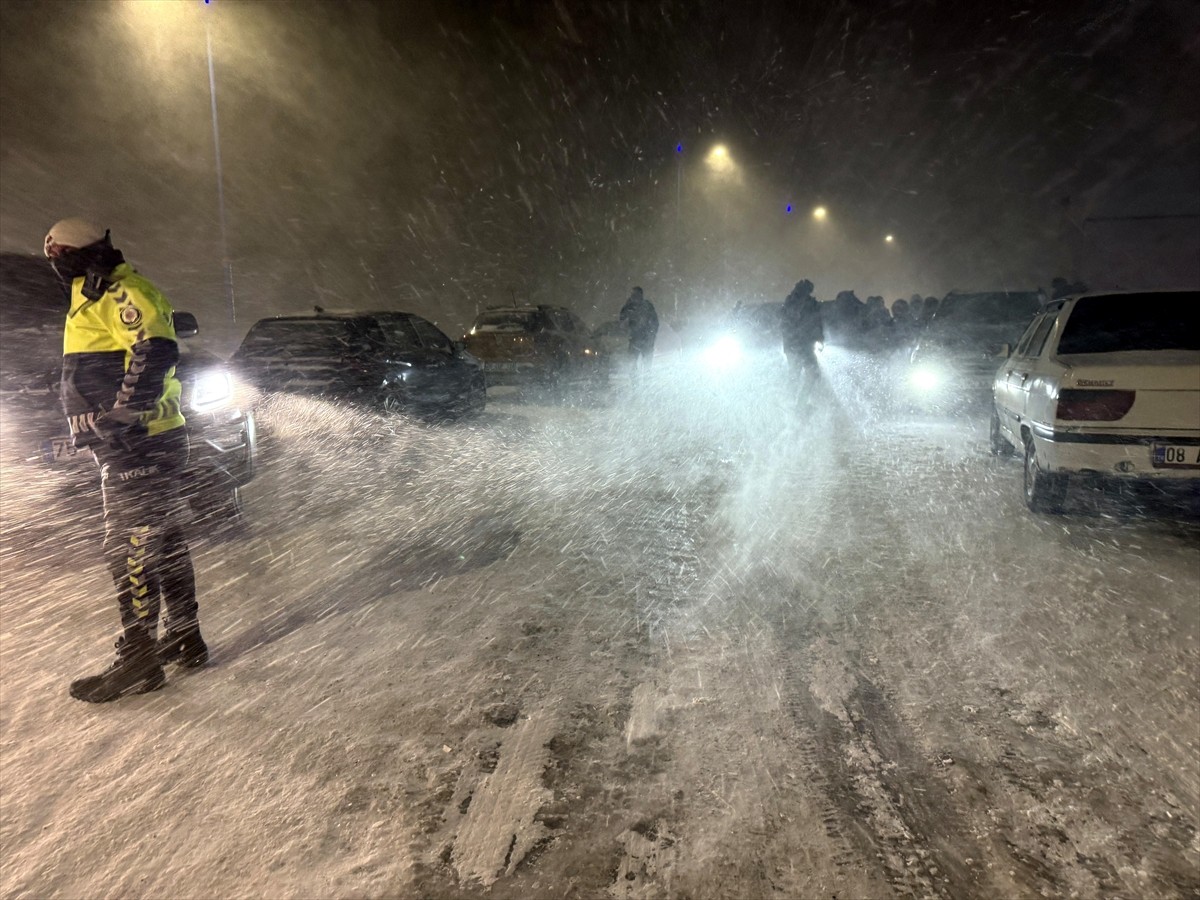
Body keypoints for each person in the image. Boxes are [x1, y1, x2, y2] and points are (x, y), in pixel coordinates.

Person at [44, 218, 206, 703]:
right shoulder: (91, 293)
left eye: (58, 258)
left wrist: (123, 415)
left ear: (74, 254)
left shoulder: (122, 291)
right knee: (164, 539)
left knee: (129, 545)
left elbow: (155, 351)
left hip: (141, 440)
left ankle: (139, 655)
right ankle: (183, 635)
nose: (56, 267)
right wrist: (83, 427)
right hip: (132, 439)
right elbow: (94, 370)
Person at [780, 279, 824, 379]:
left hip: (802, 344)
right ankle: (798, 394)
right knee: (799, 374)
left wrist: (819, 338)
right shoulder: (792, 303)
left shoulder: (808, 304)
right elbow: (816, 322)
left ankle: (800, 394)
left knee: (809, 374)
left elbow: (817, 322)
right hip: (799, 345)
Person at [618, 286, 658, 373]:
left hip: (642, 339)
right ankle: (638, 382)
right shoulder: (631, 306)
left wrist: (651, 336)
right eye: (633, 294)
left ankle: (641, 382)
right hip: (637, 339)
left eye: (635, 294)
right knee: (635, 364)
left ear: (640, 295)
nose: (633, 296)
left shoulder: (645, 306)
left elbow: (654, 323)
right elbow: (622, 320)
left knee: (641, 364)